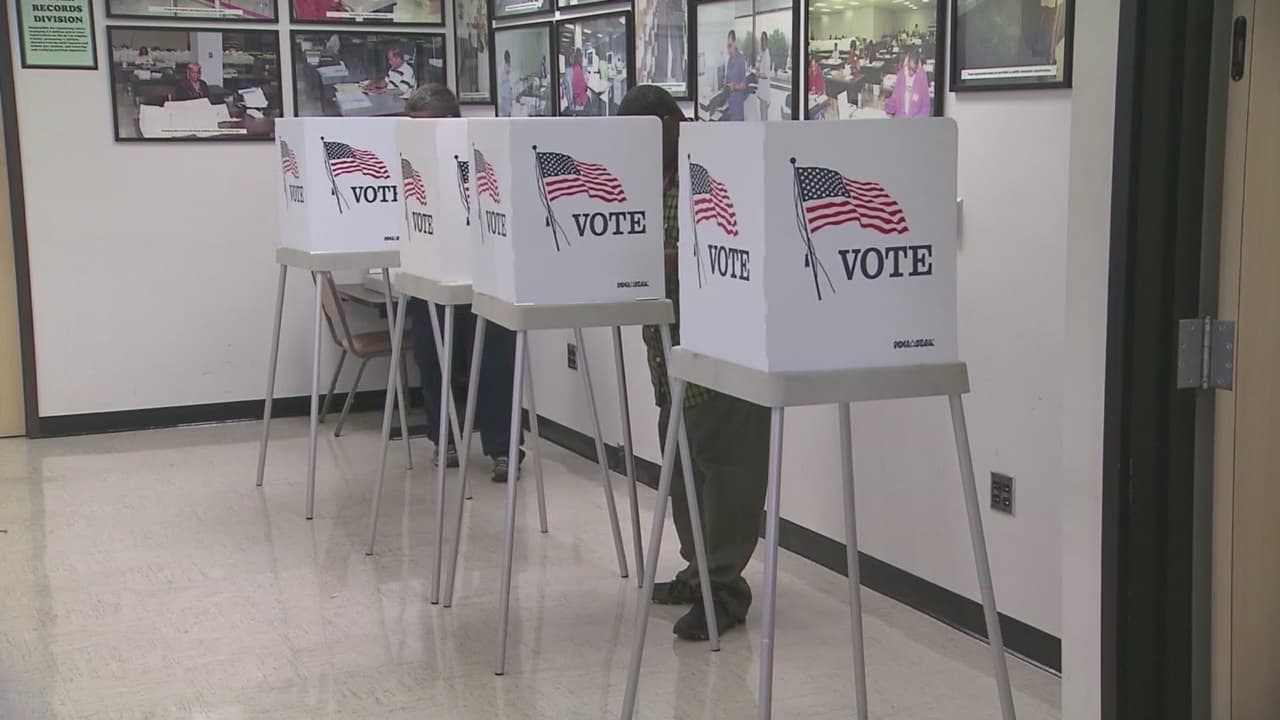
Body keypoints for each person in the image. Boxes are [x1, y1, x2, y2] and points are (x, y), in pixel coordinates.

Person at [618, 84, 771, 641]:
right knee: (683, 470)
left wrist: (668, 262)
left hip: (723, 354)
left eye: (641, 135)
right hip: (671, 357)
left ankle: (723, 589)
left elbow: (743, 250)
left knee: (727, 472)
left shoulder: (717, 170)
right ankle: (697, 572)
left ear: (670, 121)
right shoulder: (653, 179)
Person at [401, 84, 525, 481]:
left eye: (423, 124)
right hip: (432, 271)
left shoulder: (486, 148)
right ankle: (445, 439)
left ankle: (503, 447)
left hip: (487, 273)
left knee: (495, 362)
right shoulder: (409, 155)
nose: (416, 132)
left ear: (450, 121)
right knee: (432, 358)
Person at [883, 49, 929, 118]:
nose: (911, 72)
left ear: (918, 66)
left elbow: (926, 106)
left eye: (914, 70)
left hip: (916, 121)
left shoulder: (922, 75)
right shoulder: (901, 74)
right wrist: (887, 105)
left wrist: (917, 119)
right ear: (907, 63)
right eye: (909, 68)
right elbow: (894, 99)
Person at [723, 30, 747, 121]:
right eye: (727, 46)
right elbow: (728, 77)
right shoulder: (729, 60)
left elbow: (744, 85)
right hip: (730, 104)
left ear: (735, 43)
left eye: (730, 46)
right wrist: (725, 80)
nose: (728, 49)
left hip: (738, 106)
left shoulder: (740, 59)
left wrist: (734, 86)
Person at [755, 32, 772, 121]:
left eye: (764, 40)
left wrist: (759, 74)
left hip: (765, 91)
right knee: (762, 113)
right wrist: (757, 68)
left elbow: (766, 75)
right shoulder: (762, 53)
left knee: (764, 116)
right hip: (761, 89)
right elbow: (759, 67)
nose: (762, 42)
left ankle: (765, 130)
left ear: (767, 41)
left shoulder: (767, 54)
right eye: (761, 40)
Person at [569, 48, 588, 112]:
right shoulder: (578, 70)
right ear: (580, 59)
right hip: (579, 102)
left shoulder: (574, 68)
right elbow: (584, 87)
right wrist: (586, 82)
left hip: (575, 99)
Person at [497, 50, 513, 116]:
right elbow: (507, 72)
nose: (509, 59)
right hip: (505, 94)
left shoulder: (507, 65)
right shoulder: (505, 66)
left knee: (509, 111)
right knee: (506, 112)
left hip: (507, 92)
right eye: (507, 57)